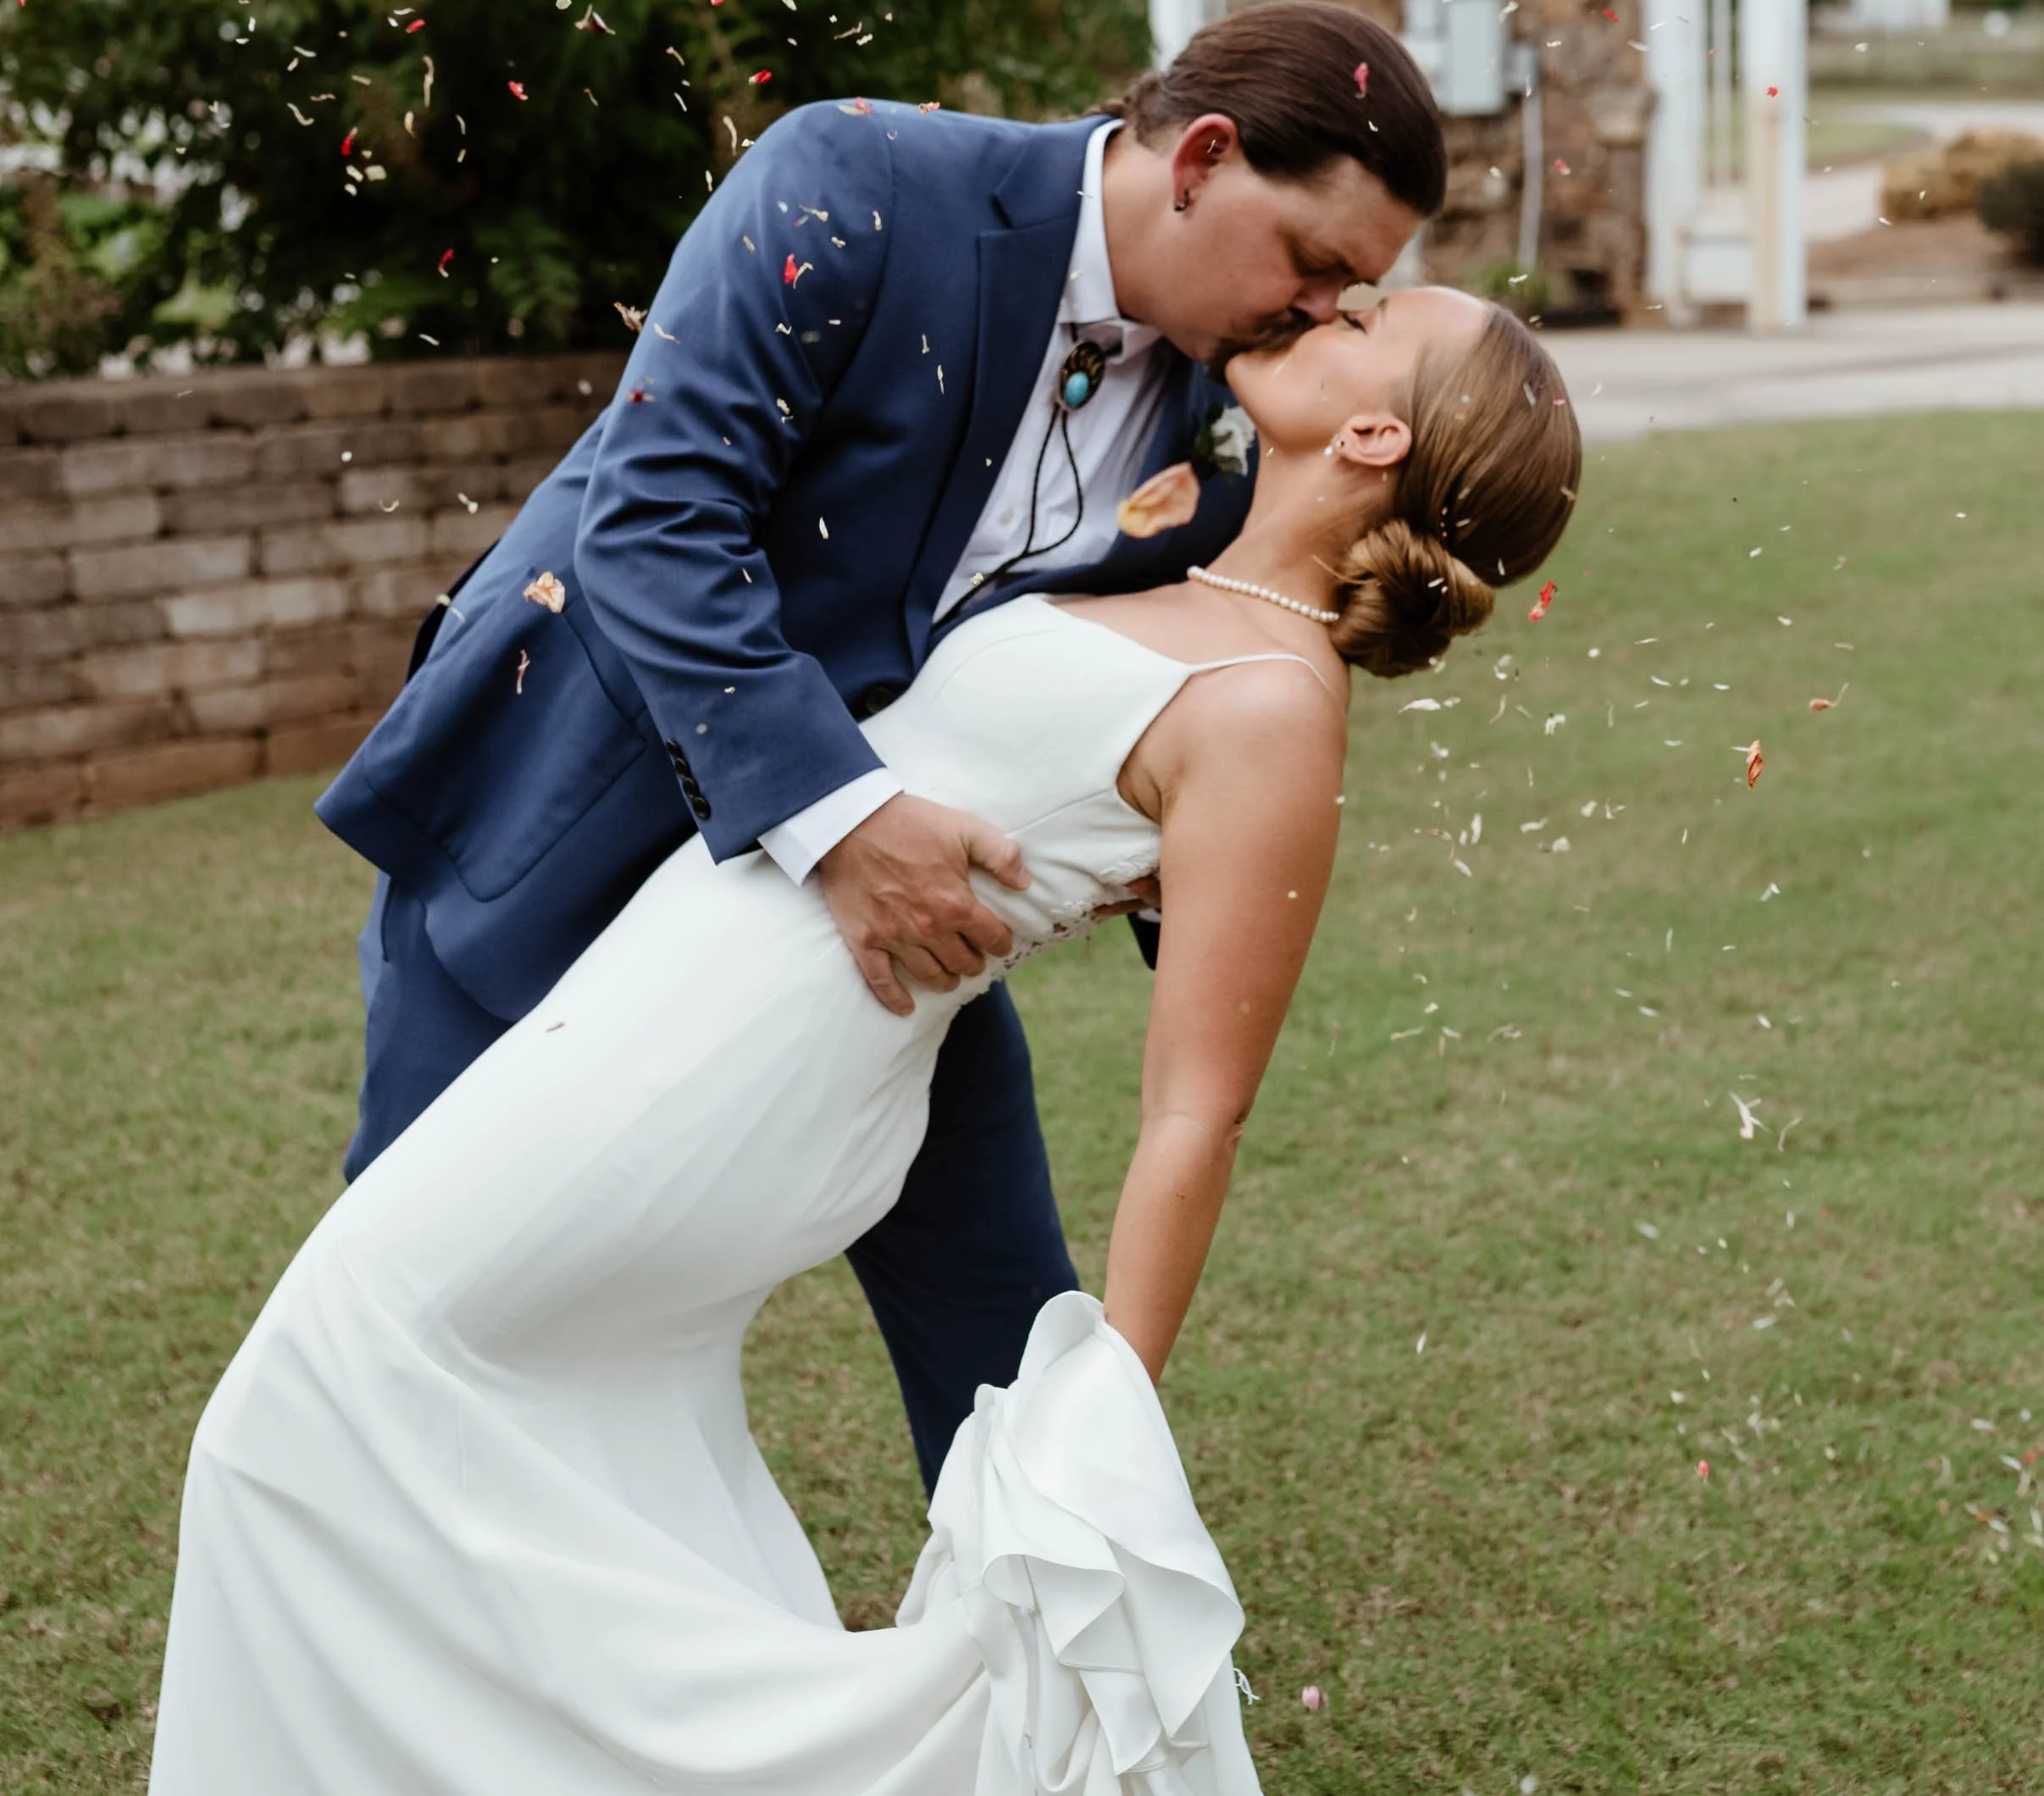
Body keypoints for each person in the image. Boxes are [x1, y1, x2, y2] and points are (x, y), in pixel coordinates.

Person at [152, 286, 1581, 1796]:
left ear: (1374, 430)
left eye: (1374, 314)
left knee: (310, 1387)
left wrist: (1111, 1402)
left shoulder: (1273, 709)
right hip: (668, 988)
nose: (1331, 295)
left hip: (743, 1065)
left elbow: (1196, 1114)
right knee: (586, 1442)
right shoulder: (1175, 555)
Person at [317, 2, 1446, 1488]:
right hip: (567, 826)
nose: (1316, 317)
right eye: (1313, 267)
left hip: (888, 943)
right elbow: (654, 517)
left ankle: (1073, 1674)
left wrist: (1174, 859)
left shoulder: (1220, 414)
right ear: (1206, 158)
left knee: (1004, 1336)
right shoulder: (853, 181)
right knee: (405, 1326)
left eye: (1350, 297)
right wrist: (846, 823)